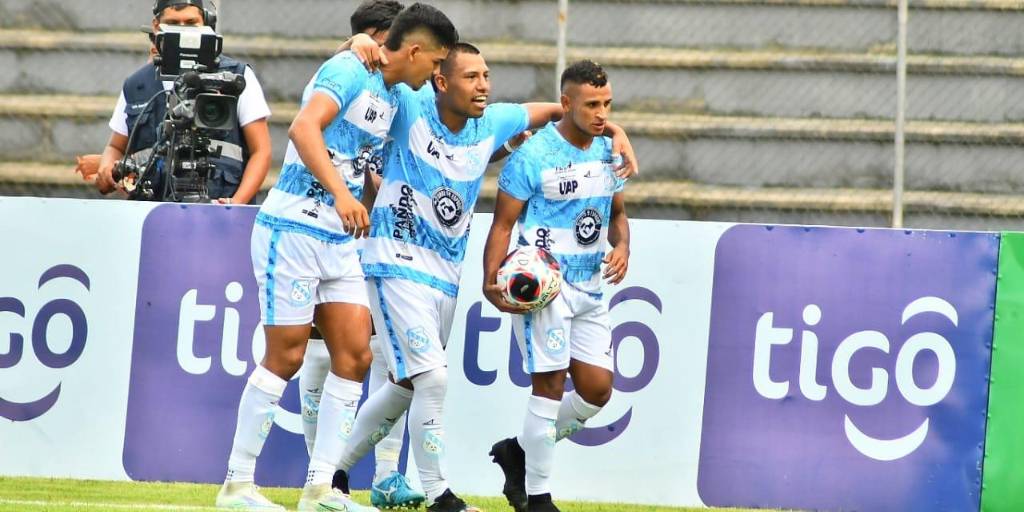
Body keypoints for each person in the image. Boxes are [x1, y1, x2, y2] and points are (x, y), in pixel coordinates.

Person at [327, 42, 638, 512]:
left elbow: (563, 114)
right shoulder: (412, 104)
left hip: (447, 272)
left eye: (487, 76)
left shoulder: (496, 122)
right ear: (440, 80)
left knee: (407, 383)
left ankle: (334, 470)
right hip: (396, 261)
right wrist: (357, 44)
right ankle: (442, 495)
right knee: (433, 379)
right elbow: (504, 223)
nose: (484, 85)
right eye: (472, 77)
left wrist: (615, 130)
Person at [215, 4, 457, 511]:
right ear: (414, 50)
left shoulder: (397, 94)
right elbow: (304, 129)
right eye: (436, 63)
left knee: (355, 356)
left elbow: (442, 131)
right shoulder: (349, 69)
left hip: (339, 240)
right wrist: (343, 195)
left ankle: (320, 489)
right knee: (286, 356)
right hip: (294, 228)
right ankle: (236, 485)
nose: (437, 74)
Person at [295, 1, 428, 509]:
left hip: (383, 236)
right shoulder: (345, 74)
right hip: (326, 224)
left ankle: (387, 475)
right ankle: (323, 475)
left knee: (386, 355)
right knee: (319, 350)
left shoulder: (401, 91)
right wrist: (353, 44)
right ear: (377, 38)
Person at [482, 60, 631, 512]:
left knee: (597, 391)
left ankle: (518, 452)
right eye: (591, 105)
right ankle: (540, 498)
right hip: (544, 287)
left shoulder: (608, 152)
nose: (601, 114)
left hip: (591, 288)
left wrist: (623, 247)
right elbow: (502, 224)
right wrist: (490, 280)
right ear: (566, 103)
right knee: (547, 387)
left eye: (607, 104)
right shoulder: (533, 155)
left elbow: (617, 215)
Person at [94, 0, 271, 204]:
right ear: (156, 26)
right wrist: (107, 168)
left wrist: (234, 206)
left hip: (218, 210)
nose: (182, 30)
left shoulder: (236, 77)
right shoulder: (137, 84)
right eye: (173, 23)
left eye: (191, 22)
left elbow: (261, 151)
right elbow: (115, 146)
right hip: (153, 210)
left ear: (206, 23)